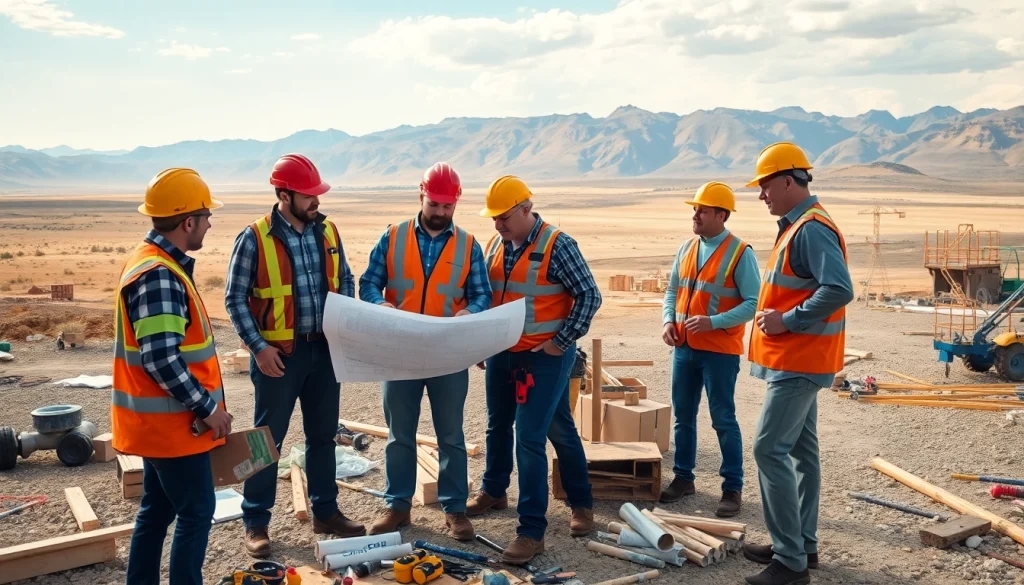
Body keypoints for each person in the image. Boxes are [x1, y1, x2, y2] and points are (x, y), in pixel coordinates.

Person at [225, 153, 365, 559]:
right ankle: (256, 521)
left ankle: (326, 511)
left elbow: (345, 277)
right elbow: (234, 299)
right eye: (308, 195)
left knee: (322, 436)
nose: (316, 201)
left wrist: (344, 319)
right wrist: (258, 347)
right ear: (284, 196)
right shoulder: (255, 237)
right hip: (279, 356)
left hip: (324, 350)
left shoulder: (328, 230)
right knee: (266, 441)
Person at [358, 162, 492, 540]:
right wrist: (380, 305)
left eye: (448, 206)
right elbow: (368, 283)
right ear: (421, 195)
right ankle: (398, 506)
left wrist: (469, 312)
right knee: (400, 434)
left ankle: (455, 509)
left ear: (456, 203)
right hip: (400, 352)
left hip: (447, 354)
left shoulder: (468, 245)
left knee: (451, 435)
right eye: (434, 204)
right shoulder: (393, 237)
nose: (440, 212)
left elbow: (482, 294)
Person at [112, 168, 233, 585]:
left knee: (157, 510)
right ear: (188, 222)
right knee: (197, 511)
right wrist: (208, 408)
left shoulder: (150, 259)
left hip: (158, 427)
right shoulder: (160, 275)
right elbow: (161, 359)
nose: (209, 223)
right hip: (174, 429)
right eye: (206, 216)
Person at [470, 175, 598, 564]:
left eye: (504, 217)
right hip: (503, 353)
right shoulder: (496, 244)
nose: (498, 224)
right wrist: (483, 340)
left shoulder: (559, 245)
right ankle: (495, 491)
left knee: (529, 436)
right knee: (504, 425)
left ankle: (532, 531)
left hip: (545, 358)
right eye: (494, 218)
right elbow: (490, 297)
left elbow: (590, 295)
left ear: (526, 209)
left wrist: (561, 341)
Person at [741, 142, 854, 585]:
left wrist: (786, 320)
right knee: (803, 452)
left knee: (768, 449)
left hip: (800, 361)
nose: (761, 195)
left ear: (788, 182)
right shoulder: (799, 225)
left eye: (765, 186)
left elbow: (839, 289)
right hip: (800, 359)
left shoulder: (810, 228)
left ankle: (790, 562)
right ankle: (801, 544)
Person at [660, 181, 760, 518]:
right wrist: (668, 321)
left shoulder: (740, 253)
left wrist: (713, 322)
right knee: (683, 418)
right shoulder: (687, 248)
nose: (695, 215)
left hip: (719, 351)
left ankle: (732, 487)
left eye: (702, 210)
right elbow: (672, 291)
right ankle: (683, 478)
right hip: (684, 348)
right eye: (695, 209)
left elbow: (753, 303)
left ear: (722, 215)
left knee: (723, 419)